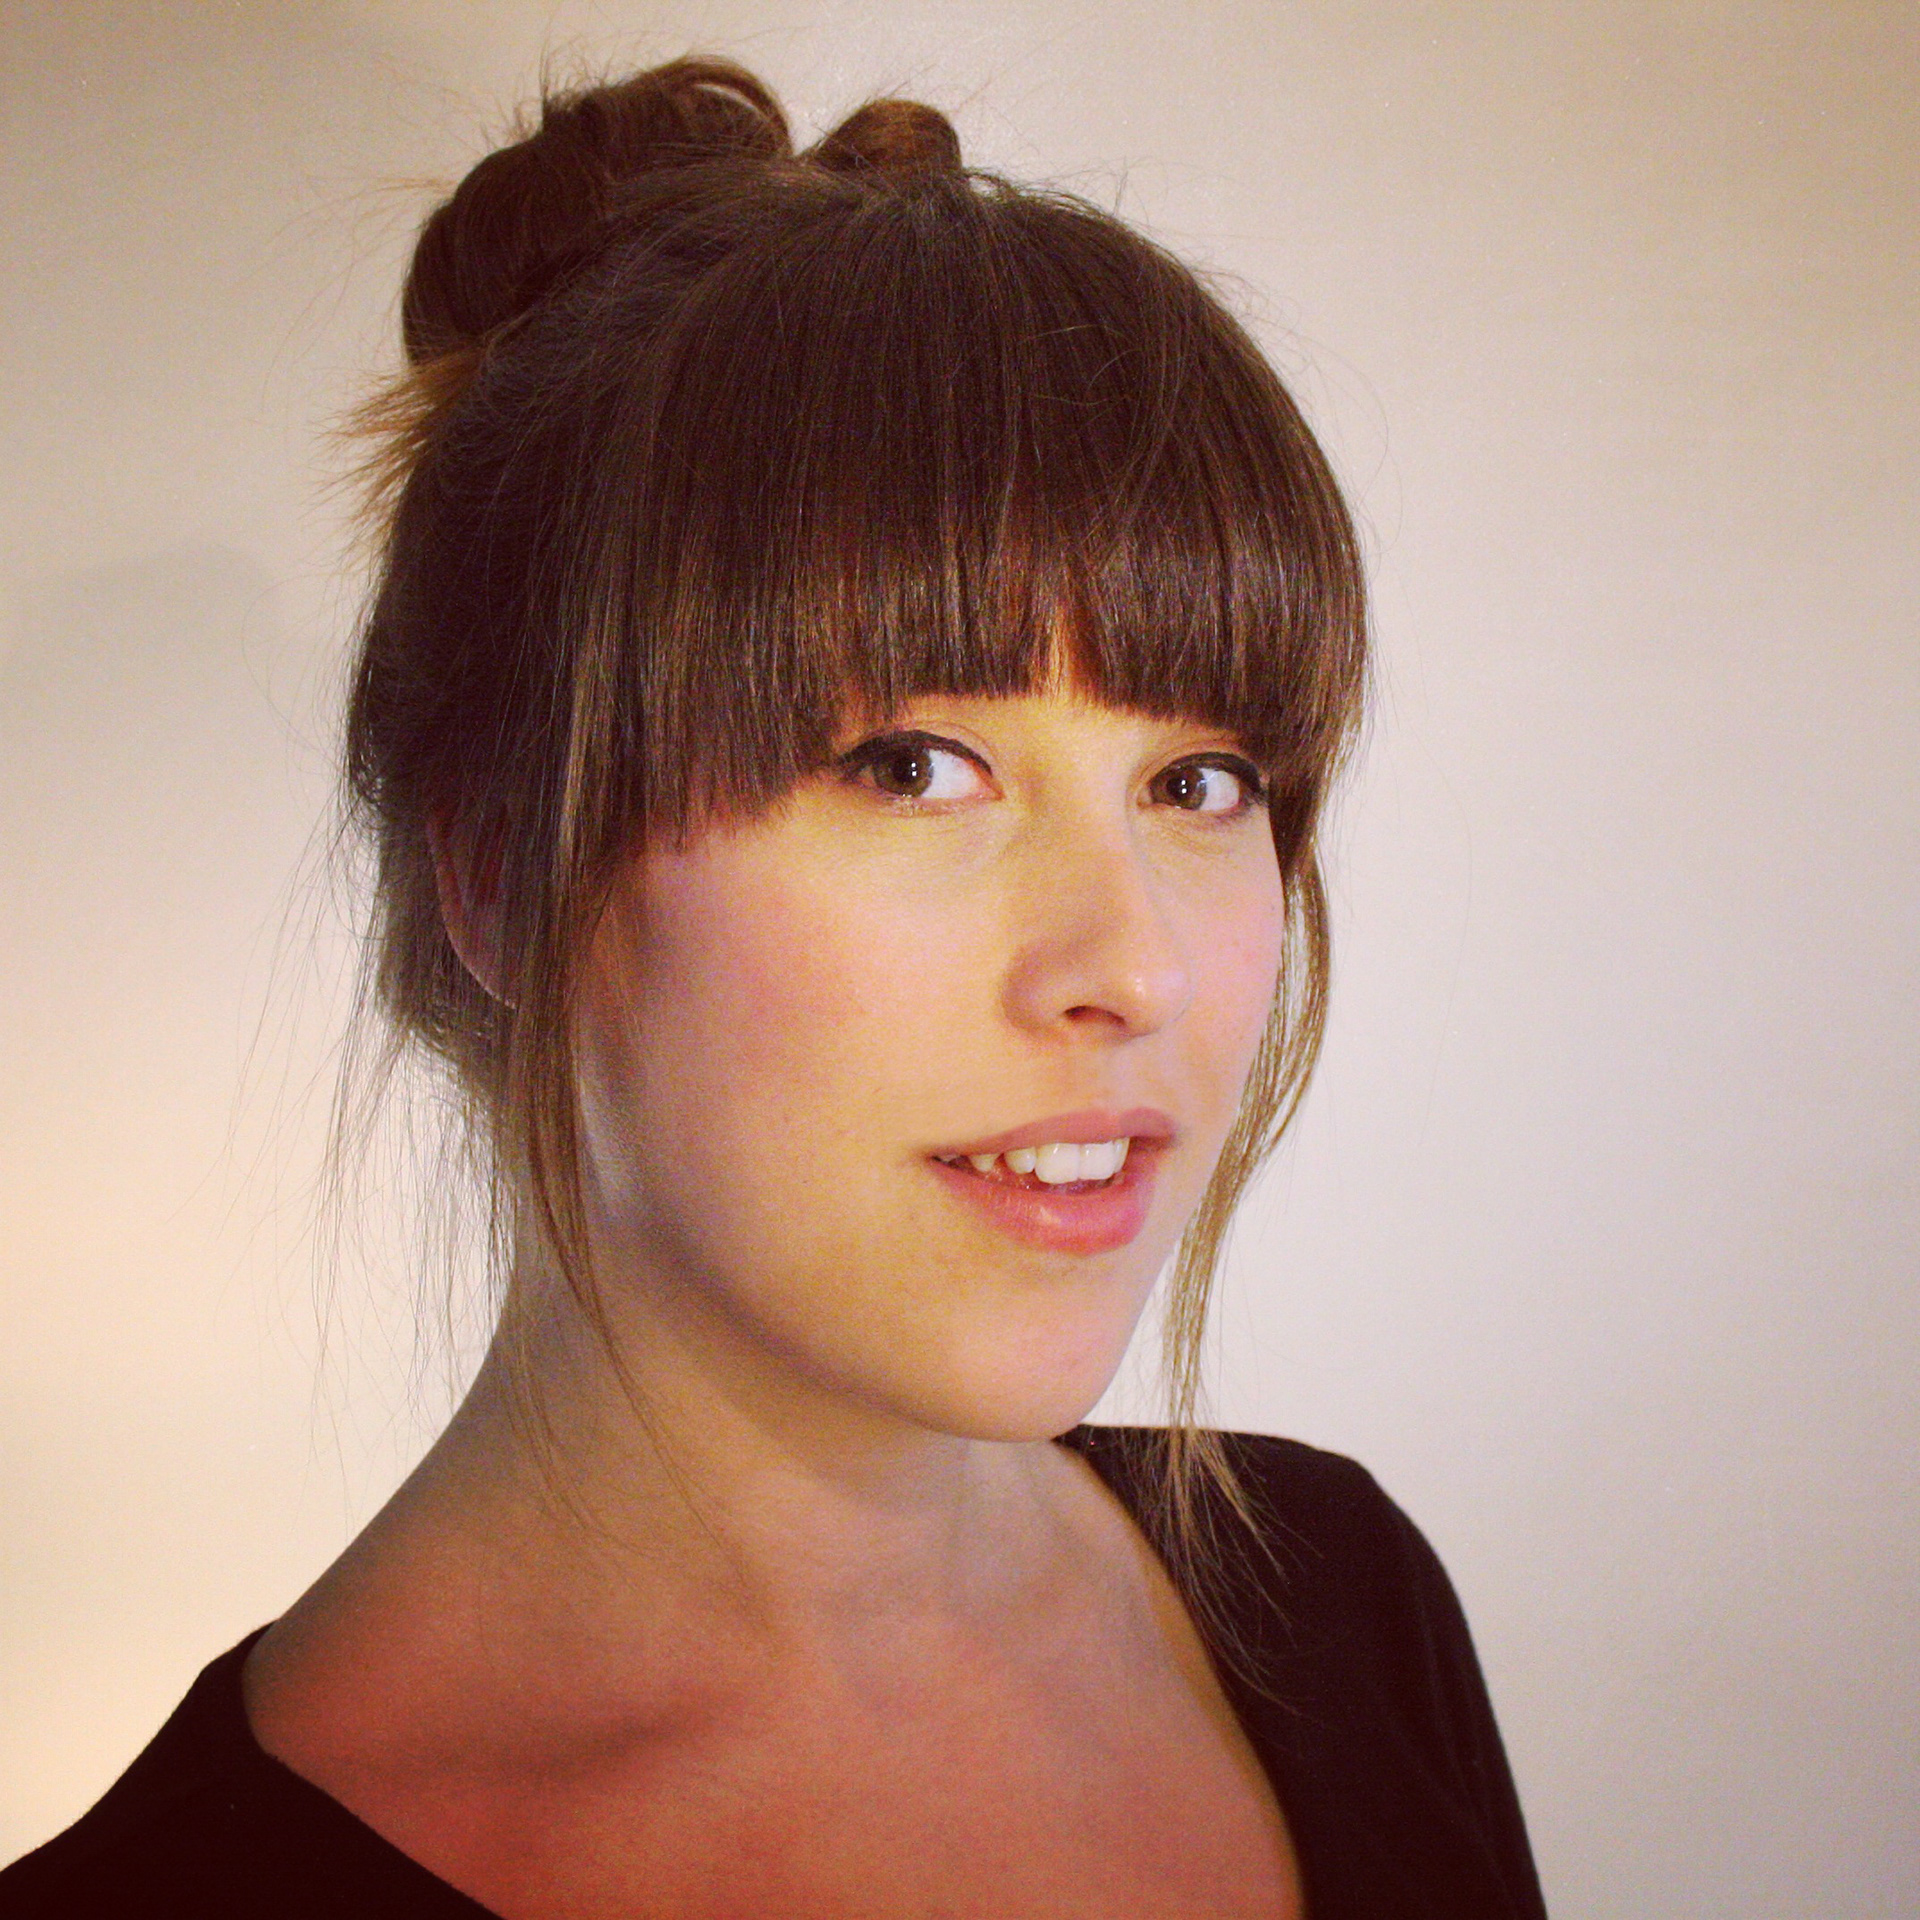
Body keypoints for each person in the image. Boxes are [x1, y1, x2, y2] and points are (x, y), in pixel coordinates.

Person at [0, 56, 1548, 1920]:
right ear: (502, 877)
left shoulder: (1339, 1595)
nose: (1132, 967)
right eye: (912, 767)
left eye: (1200, 782)